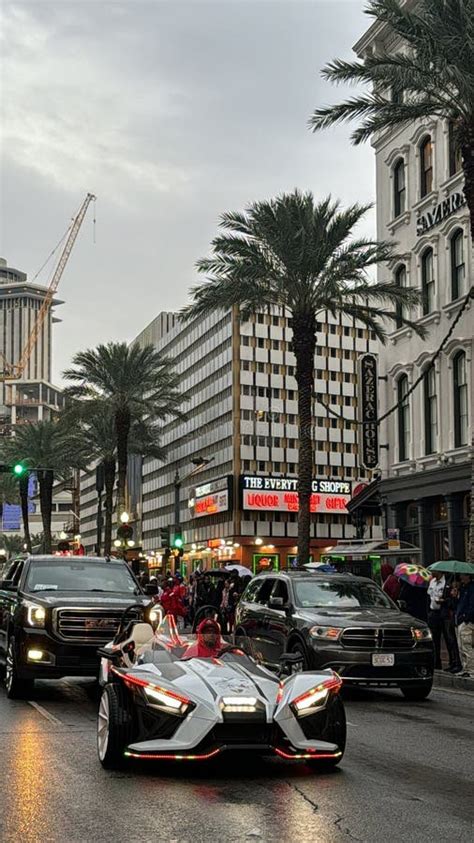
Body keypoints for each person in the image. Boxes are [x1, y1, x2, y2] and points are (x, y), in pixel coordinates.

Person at [455, 574, 474, 678]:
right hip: (460, 620)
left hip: (467, 621)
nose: (461, 577)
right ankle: (465, 668)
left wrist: (466, 617)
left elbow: (471, 605)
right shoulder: (463, 588)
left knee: (466, 645)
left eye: (463, 575)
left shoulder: (471, 588)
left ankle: (471, 670)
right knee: (461, 646)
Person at [427, 571, 446, 669]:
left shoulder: (445, 582)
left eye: (433, 571)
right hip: (433, 612)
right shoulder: (432, 581)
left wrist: (444, 600)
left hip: (442, 612)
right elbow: (429, 596)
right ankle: (436, 663)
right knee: (434, 639)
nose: (431, 573)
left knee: (447, 638)